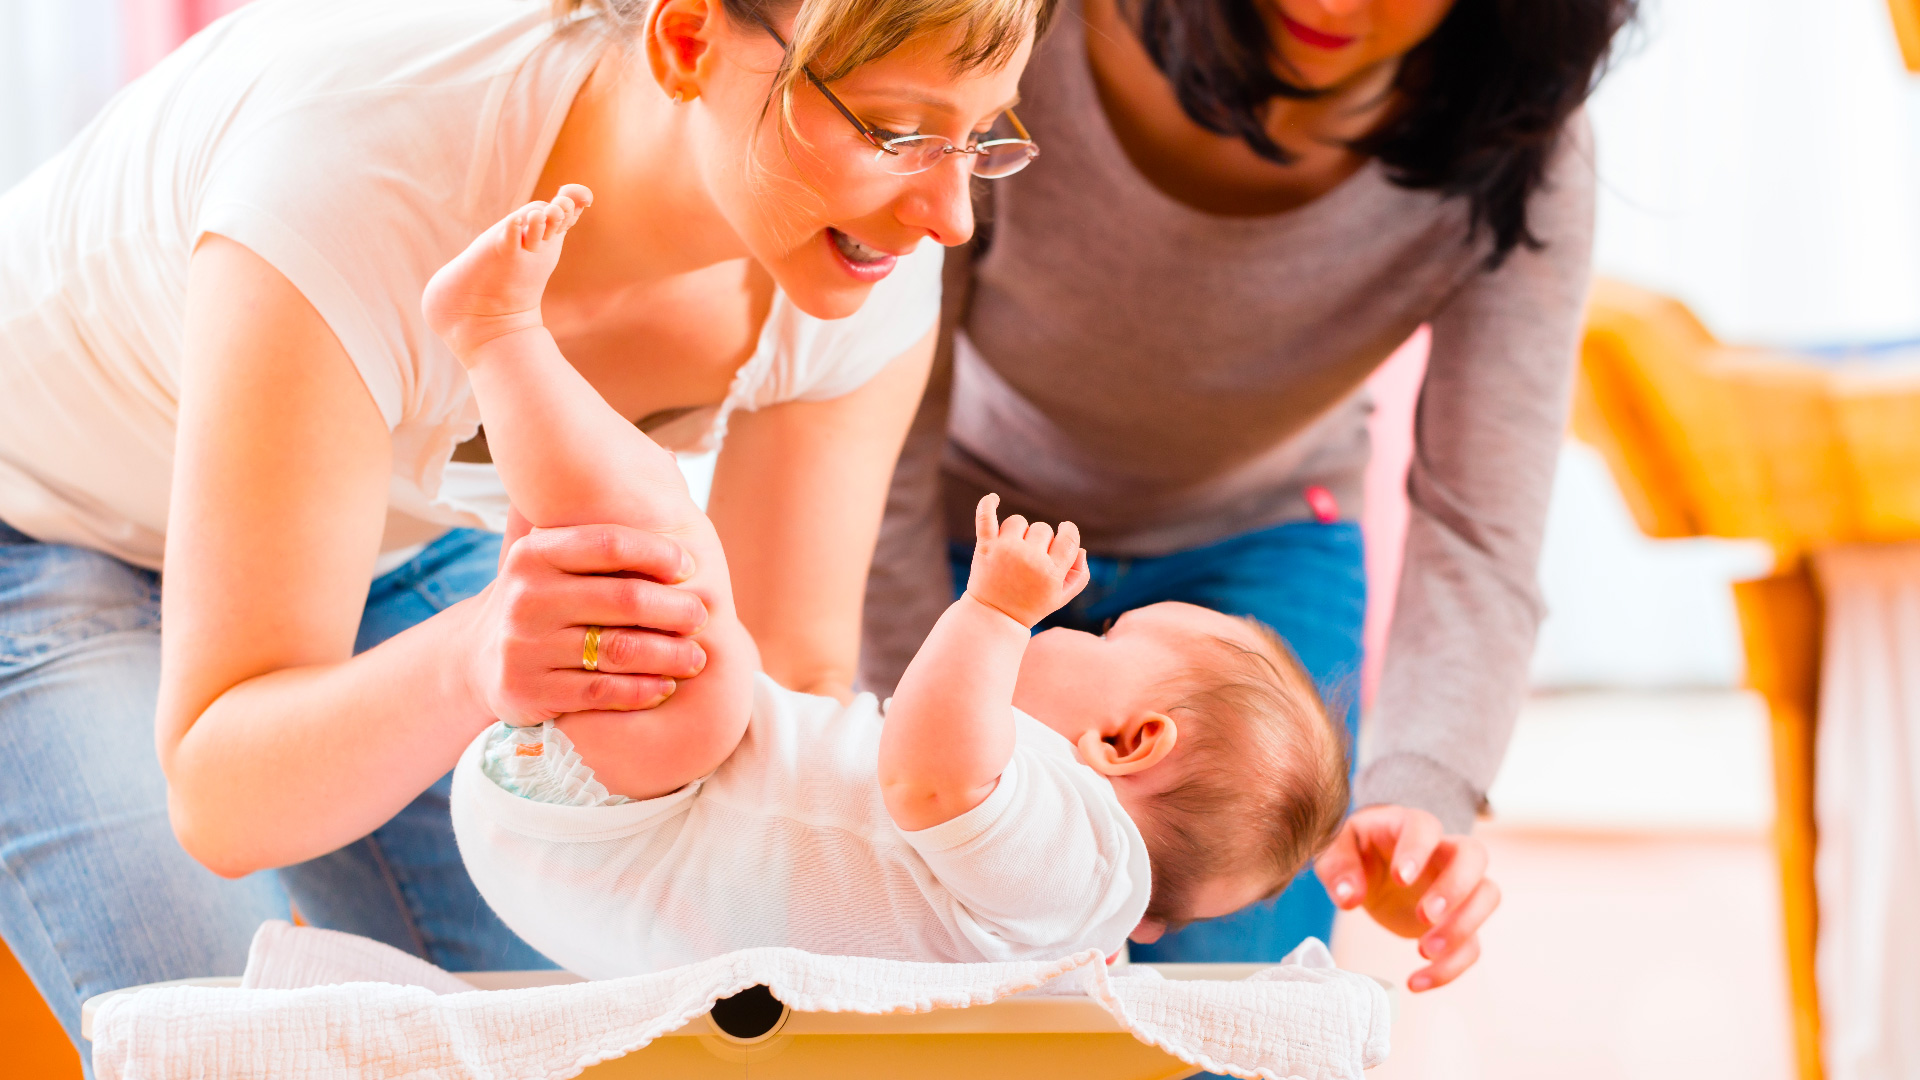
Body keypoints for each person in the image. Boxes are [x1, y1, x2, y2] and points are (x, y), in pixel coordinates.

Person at [0, 0, 1052, 1062]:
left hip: (392, 535)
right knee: (240, 1046)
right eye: (898, 131)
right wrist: (469, 657)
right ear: (688, 42)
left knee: (590, 1038)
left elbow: (784, 692)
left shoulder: (863, 249)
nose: (950, 215)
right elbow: (225, 802)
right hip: (30, 524)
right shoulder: (367, 168)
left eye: (980, 133)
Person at [862, 0, 1634, 997]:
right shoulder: (1021, 39)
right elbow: (877, 430)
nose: (1332, 4)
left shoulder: (1522, 147)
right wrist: (894, 725)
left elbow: (1479, 524)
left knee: (1222, 1003)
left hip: (1265, 536)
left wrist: (1419, 797)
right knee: (916, 955)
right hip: (974, 529)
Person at [427, 183, 1348, 973]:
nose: (1080, 627)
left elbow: (933, 781)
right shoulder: (1070, 917)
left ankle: (496, 335)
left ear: (1129, 741)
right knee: (651, 602)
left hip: (619, 831)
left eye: (1109, 639)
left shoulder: (1081, 859)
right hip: (612, 848)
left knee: (678, 579)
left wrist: (995, 612)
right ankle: (541, 452)